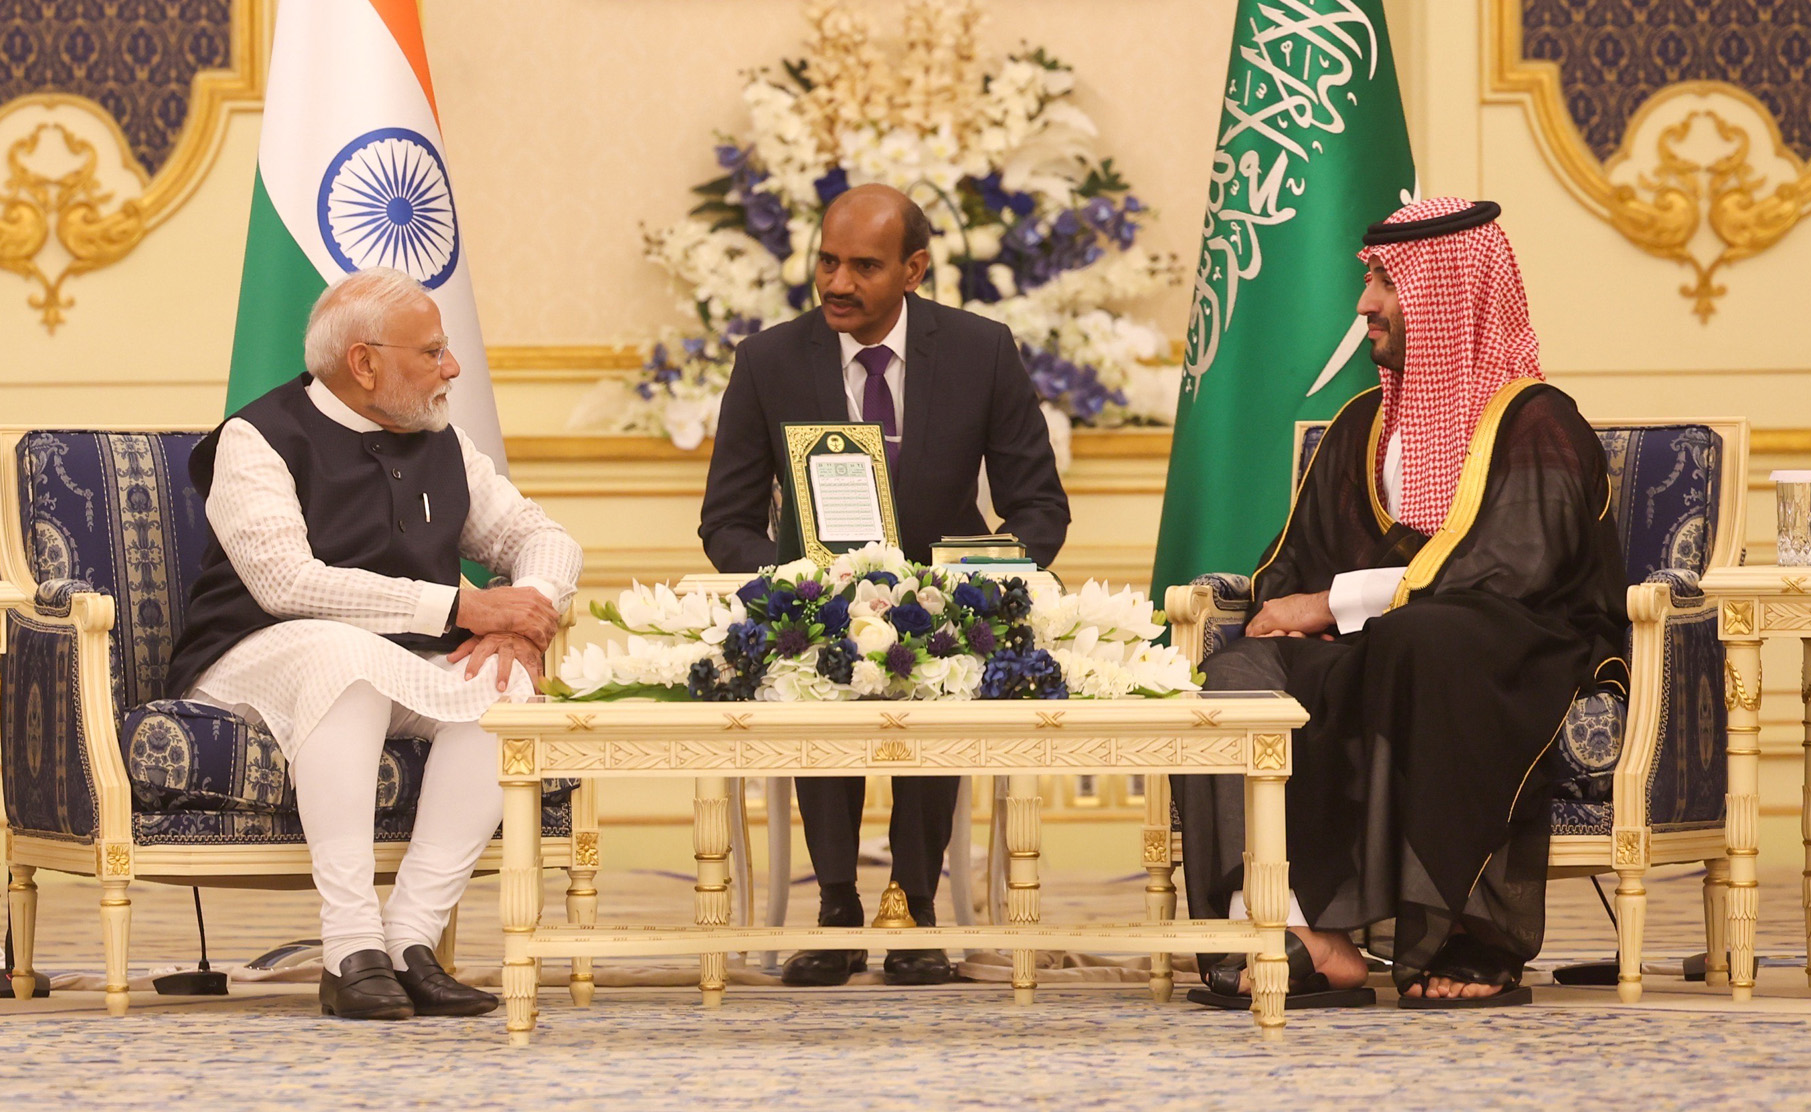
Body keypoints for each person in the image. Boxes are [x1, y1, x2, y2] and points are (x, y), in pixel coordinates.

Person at [1175, 198, 1628, 1009]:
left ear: (1450, 294)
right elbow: (1288, 577)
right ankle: (1292, 929)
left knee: (1427, 639)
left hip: (1510, 650)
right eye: (1369, 278)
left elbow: (1511, 572)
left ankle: (1463, 933)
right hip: (1380, 650)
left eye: (1385, 280)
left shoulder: (1536, 422)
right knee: (1239, 667)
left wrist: (1337, 603)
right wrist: (1308, 610)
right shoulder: (1362, 425)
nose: (1364, 304)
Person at [166, 267, 582, 1020]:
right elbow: (286, 584)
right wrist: (462, 604)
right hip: (250, 658)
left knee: (507, 692)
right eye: (431, 352)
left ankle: (410, 943)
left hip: (387, 663)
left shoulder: (441, 441)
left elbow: (538, 536)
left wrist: (530, 614)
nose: (451, 367)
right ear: (364, 363)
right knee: (340, 657)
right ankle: (349, 947)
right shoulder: (256, 438)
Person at [699, 184, 1070, 986]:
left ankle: (914, 906)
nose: (836, 283)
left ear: (914, 269)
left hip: (942, 609)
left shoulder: (979, 350)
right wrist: (788, 586)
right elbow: (724, 521)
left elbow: (1038, 508)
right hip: (817, 609)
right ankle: (835, 908)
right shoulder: (767, 361)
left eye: (863, 266)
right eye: (827, 262)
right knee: (813, 662)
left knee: (941, 668)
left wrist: (978, 585)